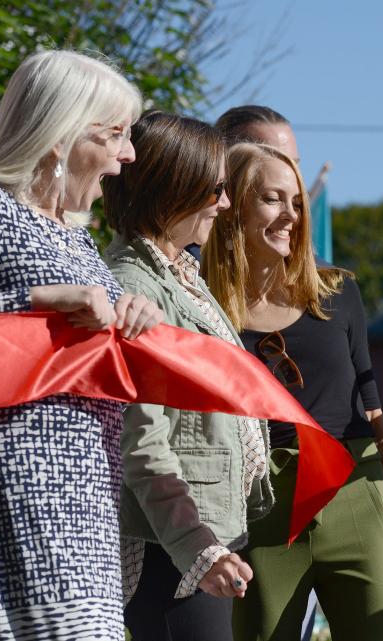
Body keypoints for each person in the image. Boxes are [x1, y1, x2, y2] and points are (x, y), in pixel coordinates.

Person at [0, 50, 163, 640]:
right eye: (114, 135)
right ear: (59, 137)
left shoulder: (81, 245)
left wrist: (136, 313)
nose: (128, 154)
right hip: (14, 506)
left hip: (89, 513)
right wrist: (39, 300)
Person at [203, 142, 383, 641]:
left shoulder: (337, 290)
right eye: (273, 199)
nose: (290, 216)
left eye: (296, 202)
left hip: (356, 492)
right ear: (233, 203)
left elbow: (375, 410)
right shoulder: (205, 306)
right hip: (262, 507)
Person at [101, 111, 273, 641]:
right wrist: (198, 547)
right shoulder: (135, 287)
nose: (224, 203)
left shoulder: (178, 272)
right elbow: (142, 440)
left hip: (195, 539)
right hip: (174, 547)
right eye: (215, 188)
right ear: (175, 188)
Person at [213, 104, 320, 641]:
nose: (288, 189)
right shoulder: (185, 282)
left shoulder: (321, 296)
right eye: (271, 166)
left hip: (297, 506)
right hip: (202, 520)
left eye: (293, 167)